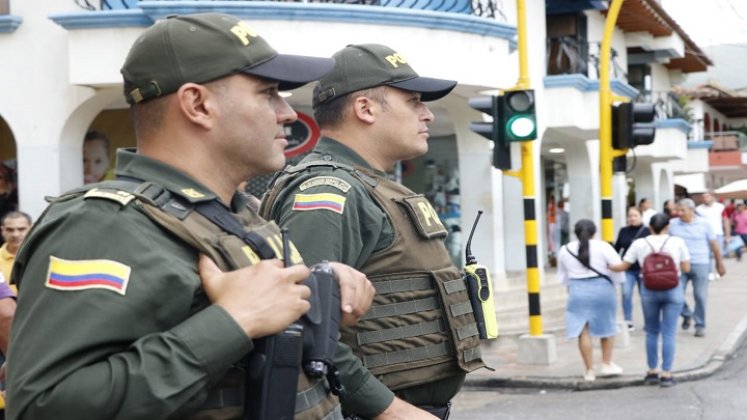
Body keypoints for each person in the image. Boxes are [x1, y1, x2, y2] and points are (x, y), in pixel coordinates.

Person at [7, 13, 375, 419]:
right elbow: (44, 405)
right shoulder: (102, 224)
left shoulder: (234, 214)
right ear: (198, 105)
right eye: (268, 93)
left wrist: (318, 281)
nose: (287, 112)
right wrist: (231, 321)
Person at [261, 43, 485, 419]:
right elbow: (302, 326)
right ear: (364, 109)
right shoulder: (329, 192)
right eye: (413, 101)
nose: (427, 114)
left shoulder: (369, 186)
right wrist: (389, 411)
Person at [609, 213, 690, 387]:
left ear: (650, 227)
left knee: (652, 331)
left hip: (649, 290)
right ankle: (666, 373)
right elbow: (686, 267)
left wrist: (606, 265)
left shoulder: (639, 243)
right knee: (669, 332)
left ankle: (652, 372)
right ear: (667, 226)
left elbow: (623, 266)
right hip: (673, 290)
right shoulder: (677, 242)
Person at [556, 219, 625, 382]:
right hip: (602, 289)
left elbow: (562, 277)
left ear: (575, 232)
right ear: (595, 231)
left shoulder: (565, 249)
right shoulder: (604, 246)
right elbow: (617, 271)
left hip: (577, 290)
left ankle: (589, 370)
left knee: (583, 330)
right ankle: (606, 363)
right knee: (607, 326)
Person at [669, 198, 725, 338]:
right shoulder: (672, 224)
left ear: (692, 210)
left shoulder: (705, 224)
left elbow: (714, 246)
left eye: (683, 210)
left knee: (700, 296)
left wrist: (719, 264)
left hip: (700, 263)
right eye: (678, 210)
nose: (679, 213)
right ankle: (687, 314)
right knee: (675, 295)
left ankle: (700, 325)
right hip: (680, 264)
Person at [613, 206, 650, 331]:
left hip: (644, 269)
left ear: (641, 216)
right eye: (630, 216)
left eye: (635, 215)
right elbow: (617, 248)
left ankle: (649, 321)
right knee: (626, 294)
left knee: (645, 296)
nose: (632, 218)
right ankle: (628, 320)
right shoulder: (623, 231)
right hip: (627, 268)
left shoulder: (648, 231)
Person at [696, 191, 729, 280]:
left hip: (718, 233)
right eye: (704, 197)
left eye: (707, 197)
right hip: (704, 234)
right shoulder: (699, 209)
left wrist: (727, 235)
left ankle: (718, 270)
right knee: (708, 254)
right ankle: (710, 272)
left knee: (719, 253)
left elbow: (725, 220)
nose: (705, 199)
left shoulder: (720, 207)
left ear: (712, 197)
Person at [0, 211, 32, 291]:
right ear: (2, 231)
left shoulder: (41, 256)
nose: (15, 234)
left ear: (32, 229)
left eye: (21, 229)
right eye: (10, 230)